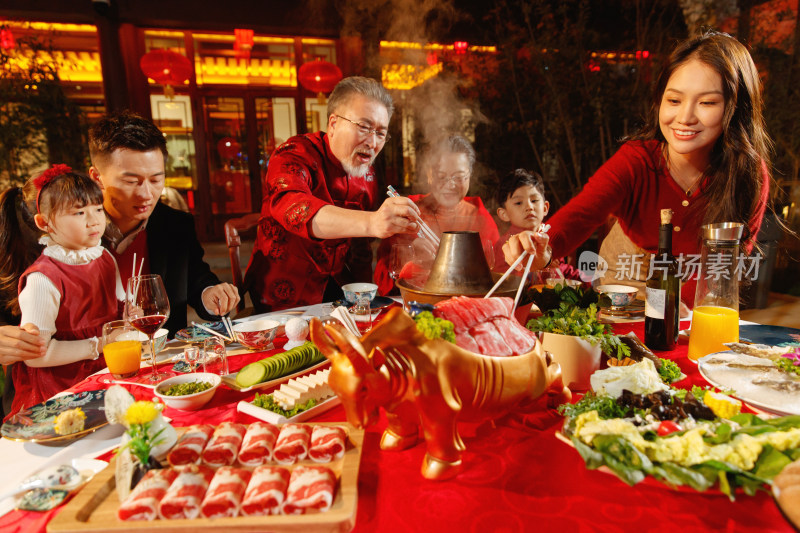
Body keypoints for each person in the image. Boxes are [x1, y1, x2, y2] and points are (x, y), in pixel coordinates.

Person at [503, 31, 771, 307]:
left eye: (707, 103)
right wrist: (542, 248)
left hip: (704, 299)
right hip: (626, 283)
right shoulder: (637, 160)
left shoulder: (747, 175)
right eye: (674, 100)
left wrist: (679, 309)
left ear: (736, 107)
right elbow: (581, 215)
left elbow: (726, 267)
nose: (685, 117)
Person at [244, 76, 420, 312]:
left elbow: (360, 250)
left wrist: (364, 295)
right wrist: (372, 221)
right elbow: (294, 209)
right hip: (282, 295)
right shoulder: (294, 154)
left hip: (336, 291)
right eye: (365, 127)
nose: (372, 142)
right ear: (333, 124)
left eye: (381, 133)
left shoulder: (366, 174)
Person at [88, 111, 240, 334]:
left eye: (156, 179)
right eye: (132, 181)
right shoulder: (69, 229)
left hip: (160, 354)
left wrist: (211, 294)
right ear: (96, 177)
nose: (147, 194)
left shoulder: (175, 225)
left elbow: (199, 281)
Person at [4, 166, 123, 418]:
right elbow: (36, 356)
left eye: (98, 209)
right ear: (43, 222)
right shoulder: (42, 279)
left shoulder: (104, 257)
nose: (94, 220)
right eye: (79, 212)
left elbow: (121, 308)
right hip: (59, 393)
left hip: (107, 374)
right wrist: (101, 344)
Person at [374, 134, 499, 295]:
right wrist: (411, 257)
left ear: (470, 176)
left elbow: (498, 275)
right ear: (429, 175)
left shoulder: (478, 217)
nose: (450, 184)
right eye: (442, 176)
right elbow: (383, 277)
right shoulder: (410, 212)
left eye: (459, 177)